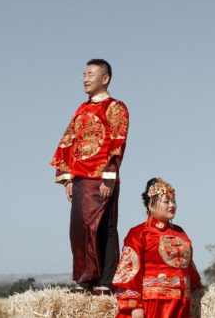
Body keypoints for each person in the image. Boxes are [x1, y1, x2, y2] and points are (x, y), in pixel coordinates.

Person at [50, 59, 129, 295]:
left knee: (104, 228)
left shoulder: (116, 107)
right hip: (80, 179)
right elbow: (68, 141)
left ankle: (106, 281)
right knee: (80, 229)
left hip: (102, 177)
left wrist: (108, 176)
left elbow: (118, 141)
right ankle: (84, 281)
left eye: (91, 73)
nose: (85, 78)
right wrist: (67, 178)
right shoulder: (81, 109)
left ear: (105, 79)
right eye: (84, 73)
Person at [113, 178, 202, 318]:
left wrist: (199, 288)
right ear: (151, 205)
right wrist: (135, 306)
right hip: (154, 304)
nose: (172, 205)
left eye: (174, 201)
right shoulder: (139, 233)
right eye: (166, 201)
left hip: (181, 304)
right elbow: (129, 272)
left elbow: (188, 265)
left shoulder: (180, 232)